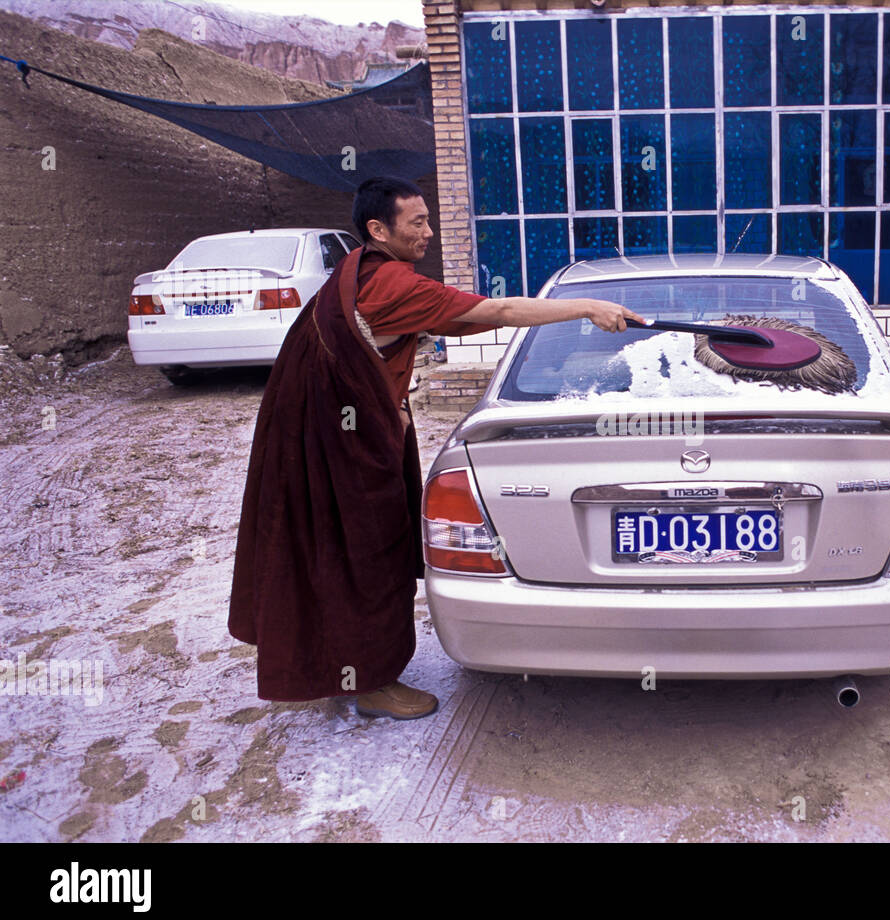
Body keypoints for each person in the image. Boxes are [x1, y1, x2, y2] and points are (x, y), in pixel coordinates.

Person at [227, 176, 643, 720]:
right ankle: (370, 681)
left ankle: (339, 662)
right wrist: (584, 307)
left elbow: (443, 324)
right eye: (416, 222)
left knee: (335, 551)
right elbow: (495, 313)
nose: (428, 232)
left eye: (428, 219)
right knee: (367, 554)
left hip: (318, 433)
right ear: (379, 229)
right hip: (340, 445)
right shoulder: (389, 284)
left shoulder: (362, 273)